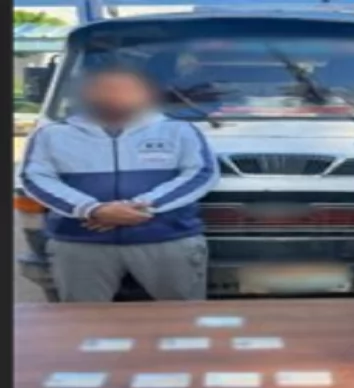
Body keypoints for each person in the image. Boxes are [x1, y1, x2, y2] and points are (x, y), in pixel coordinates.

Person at [19, 66, 220, 302]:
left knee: (182, 316)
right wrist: (92, 209)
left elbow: (201, 173)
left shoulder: (178, 130)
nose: (114, 96)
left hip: (167, 239)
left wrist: (140, 207)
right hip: (81, 243)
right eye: (105, 89)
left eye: (126, 89)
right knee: (82, 318)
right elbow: (34, 177)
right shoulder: (52, 134)